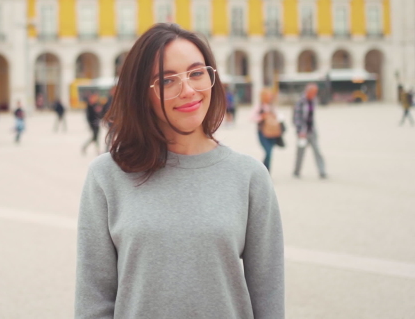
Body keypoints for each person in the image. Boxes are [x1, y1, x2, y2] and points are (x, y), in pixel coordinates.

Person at [75, 23, 283, 319]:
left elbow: (269, 298)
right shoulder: (106, 176)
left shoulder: (250, 176)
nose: (188, 91)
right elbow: (93, 300)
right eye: (167, 80)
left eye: (197, 73)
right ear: (141, 93)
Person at [293, 84, 327, 179]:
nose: (315, 94)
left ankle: (322, 171)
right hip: (302, 132)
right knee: (300, 153)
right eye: (313, 92)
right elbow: (296, 118)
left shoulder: (313, 100)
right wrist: (300, 131)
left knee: (317, 151)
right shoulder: (300, 101)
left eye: (315, 92)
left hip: (312, 131)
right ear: (308, 91)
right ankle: (297, 171)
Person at [252, 88, 285, 171]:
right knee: (268, 151)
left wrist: (276, 117)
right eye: (268, 95)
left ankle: (266, 171)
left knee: (270, 153)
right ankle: (263, 170)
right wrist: (262, 117)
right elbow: (251, 117)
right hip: (263, 132)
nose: (270, 97)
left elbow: (280, 117)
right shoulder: (259, 106)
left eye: (270, 95)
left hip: (273, 133)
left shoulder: (273, 107)